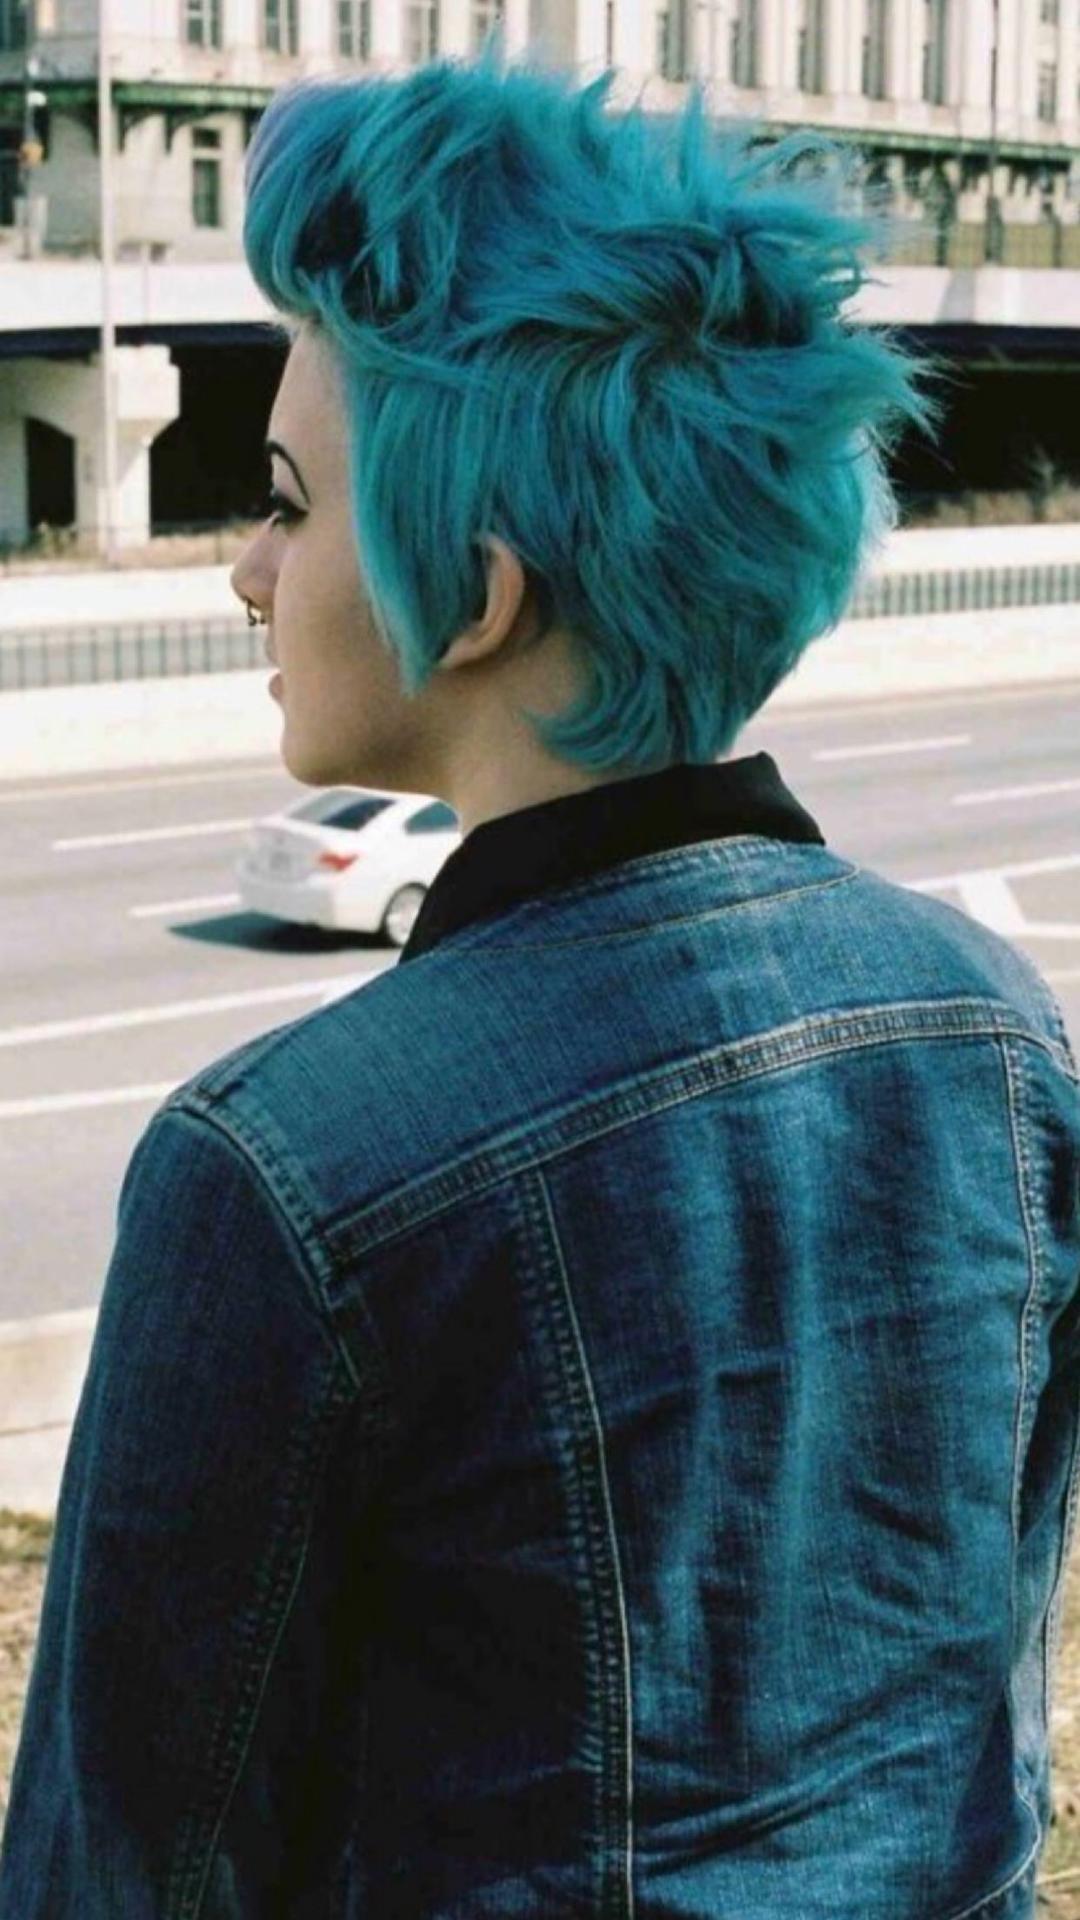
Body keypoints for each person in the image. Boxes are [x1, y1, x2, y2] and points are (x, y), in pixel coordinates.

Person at [2, 42, 1078, 1920]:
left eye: (288, 500)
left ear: (478, 592)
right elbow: (987, 1726)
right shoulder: (999, 1033)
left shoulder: (282, 1177)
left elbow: (123, 1871)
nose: (248, 570)